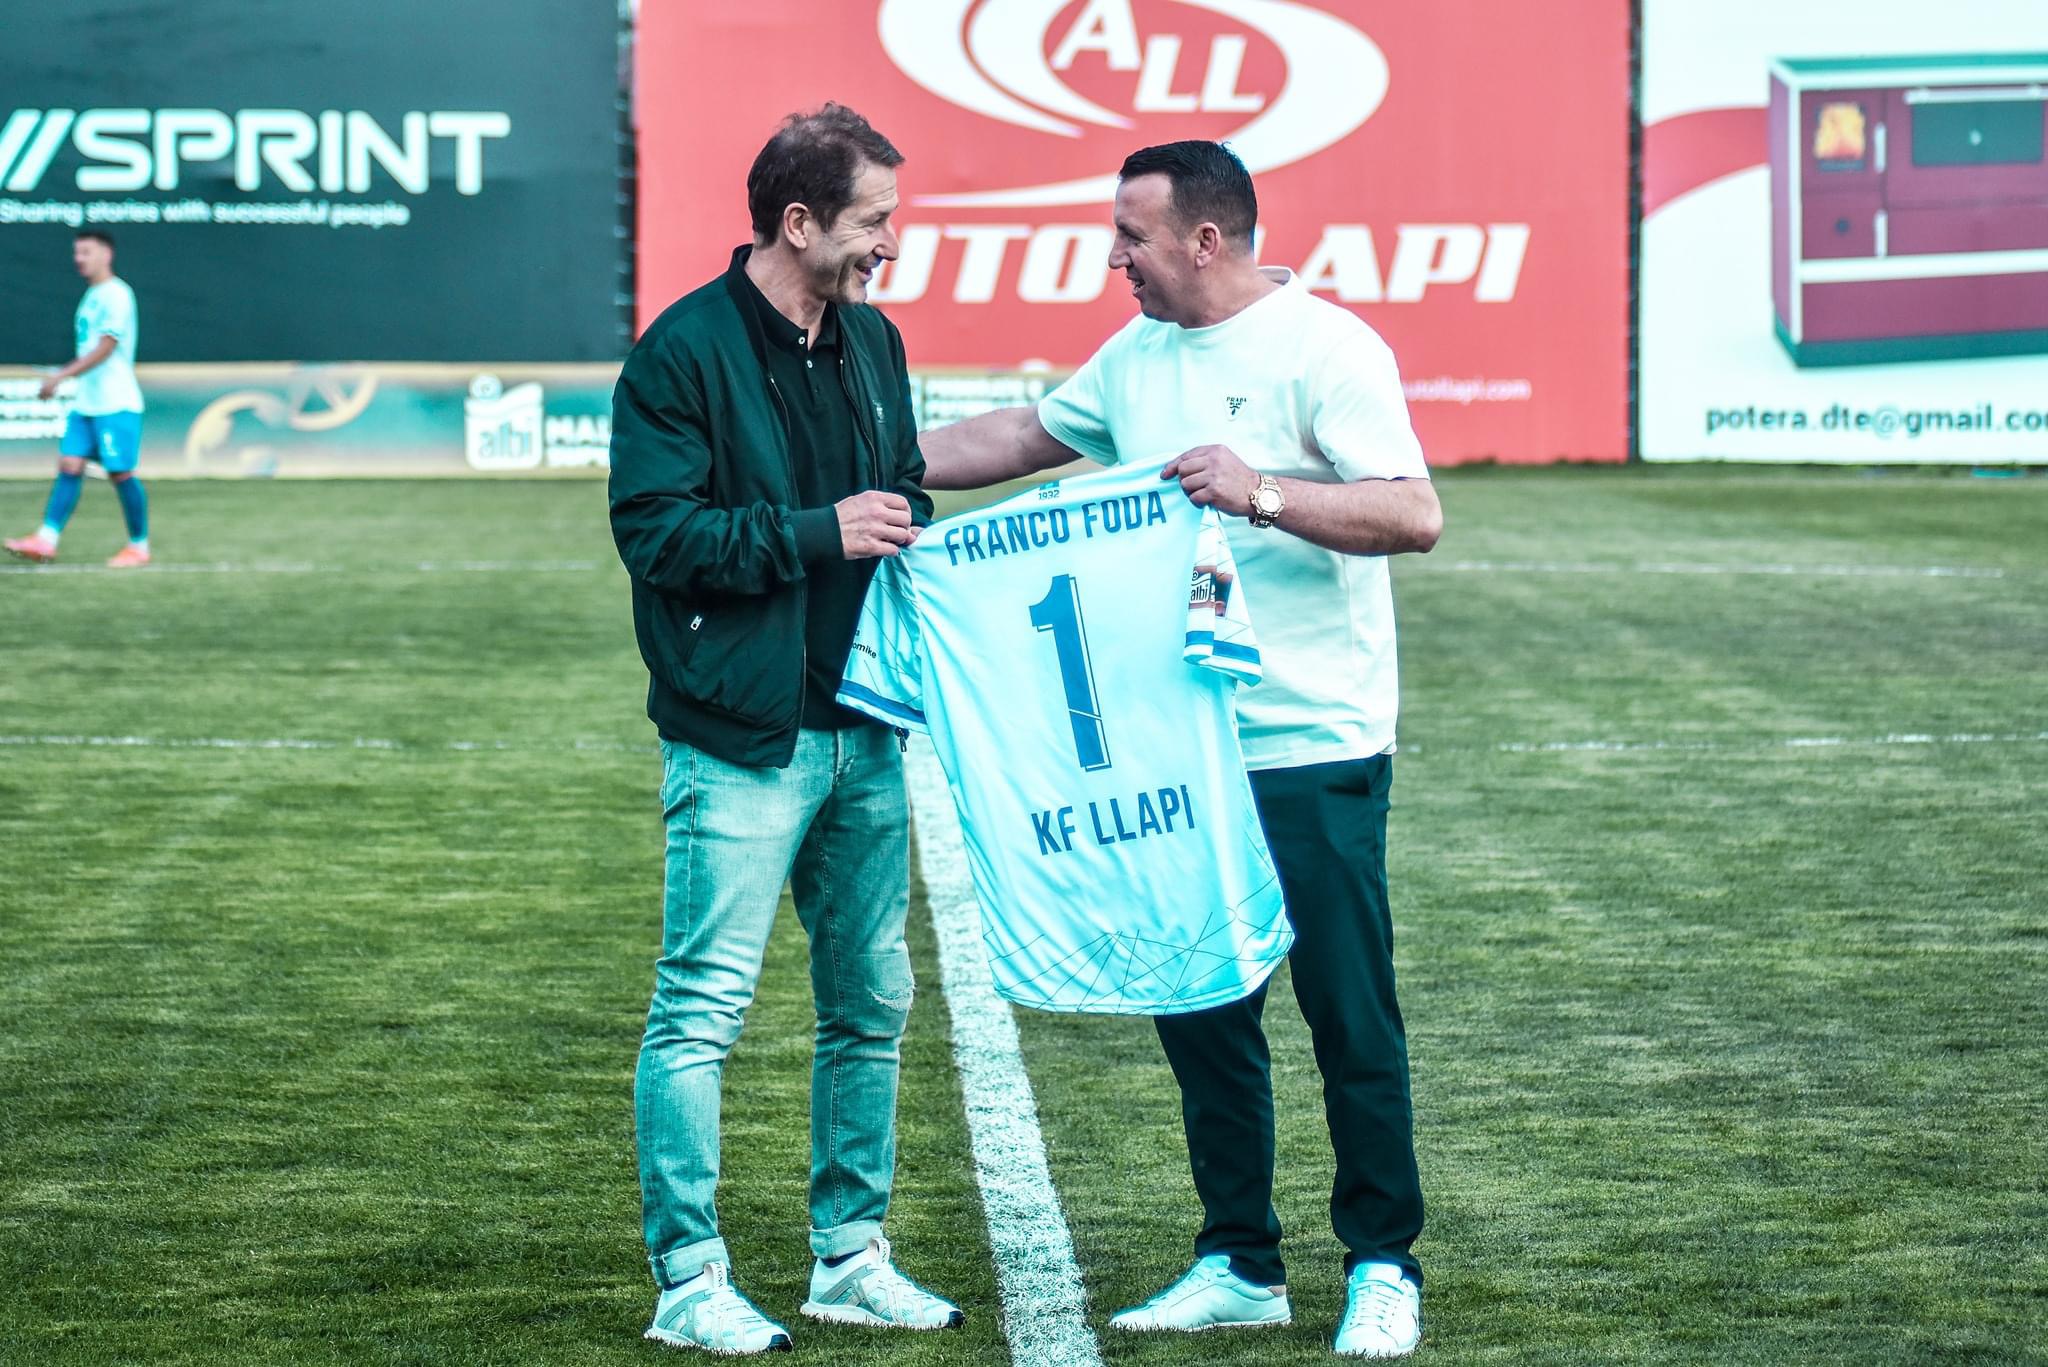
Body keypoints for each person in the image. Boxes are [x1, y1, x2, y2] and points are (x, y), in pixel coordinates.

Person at [918, 140, 1443, 1359]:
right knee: (1200, 1003)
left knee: (1346, 1010)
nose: (1115, 257)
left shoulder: (1328, 347)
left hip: (1310, 738)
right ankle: (1239, 1259)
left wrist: (1260, 490)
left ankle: (1381, 1261)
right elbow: (1020, 435)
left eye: (1130, 235)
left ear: (1204, 239)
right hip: (1181, 748)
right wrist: (860, 456)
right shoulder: (1138, 356)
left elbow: (1411, 511)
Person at [607, 103, 962, 1357]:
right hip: (739, 735)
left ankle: (848, 1256)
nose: (889, 242)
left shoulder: (875, 340)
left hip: (866, 727)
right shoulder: (680, 350)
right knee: (701, 1007)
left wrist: (909, 523)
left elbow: (897, 485)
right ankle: (687, 1279)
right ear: (798, 222)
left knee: (870, 1002)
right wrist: (822, 531)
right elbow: (655, 535)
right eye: (874, 220)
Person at [6, 230, 151, 567]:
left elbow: (106, 347)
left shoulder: (117, 294)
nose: (78, 259)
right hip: (87, 402)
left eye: (86, 252)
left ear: (106, 254)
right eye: (76, 253)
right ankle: (46, 540)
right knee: (70, 464)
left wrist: (61, 376)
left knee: (120, 473)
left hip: (116, 403)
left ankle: (138, 546)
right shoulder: (92, 296)